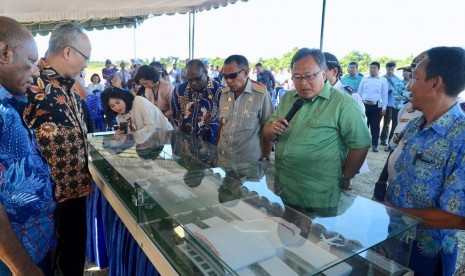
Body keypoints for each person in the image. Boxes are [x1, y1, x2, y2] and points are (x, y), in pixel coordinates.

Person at [384, 47, 465, 276]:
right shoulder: (415, 125)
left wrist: (392, 211)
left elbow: (459, 218)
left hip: (427, 257)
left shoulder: (461, 137)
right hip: (394, 243)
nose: (409, 86)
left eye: (416, 79)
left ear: (435, 83)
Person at [263, 48, 370, 215]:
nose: (303, 83)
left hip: (319, 198)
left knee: (317, 239)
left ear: (324, 73)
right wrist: (271, 129)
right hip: (284, 191)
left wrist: (345, 177)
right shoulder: (287, 99)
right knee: (287, 235)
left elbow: (361, 144)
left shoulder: (343, 103)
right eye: (297, 77)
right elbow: (267, 132)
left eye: (309, 76)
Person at [23, 22, 93, 275]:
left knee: (72, 259)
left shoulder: (70, 87)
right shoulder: (29, 84)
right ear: (67, 52)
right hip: (47, 203)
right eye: (86, 57)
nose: (86, 64)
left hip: (75, 192)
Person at [0, 16, 56, 276]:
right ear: (4, 52)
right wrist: (22, 267)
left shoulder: (10, 104)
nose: (36, 71)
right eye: (31, 61)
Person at [218, 55, 273, 162]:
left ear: (246, 72)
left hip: (249, 162)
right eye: (225, 76)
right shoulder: (224, 94)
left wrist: (266, 155)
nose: (228, 80)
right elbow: (222, 124)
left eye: (233, 76)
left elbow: (268, 126)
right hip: (224, 159)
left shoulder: (260, 94)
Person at [323, 52, 369, 174]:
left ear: (334, 71)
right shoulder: (312, 94)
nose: (317, 75)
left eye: (322, 70)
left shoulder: (350, 95)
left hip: (339, 155)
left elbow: (358, 132)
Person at [171, 59, 222, 144]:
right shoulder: (179, 91)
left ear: (205, 72)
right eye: (190, 80)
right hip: (185, 144)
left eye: (197, 79)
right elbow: (176, 115)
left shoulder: (219, 91)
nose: (194, 83)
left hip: (211, 144)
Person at [102, 87, 173, 142]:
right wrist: (120, 136)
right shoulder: (119, 117)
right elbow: (128, 136)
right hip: (145, 145)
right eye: (112, 106)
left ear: (124, 98)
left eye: (118, 102)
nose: (117, 107)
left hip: (164, 136)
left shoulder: (139, 101)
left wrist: (131, 136)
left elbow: (150, 127)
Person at [358, 61, 389, 152]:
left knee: (375, 127)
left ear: (378, 69)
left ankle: (374, 145)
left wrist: (384, 108)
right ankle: (362, 145)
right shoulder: (364, 79)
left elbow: (385, 95)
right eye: (371, 68)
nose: (372, 69)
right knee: (363, 126)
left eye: (374, 68)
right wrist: (358, 105)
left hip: (376, 107)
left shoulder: (383, 80)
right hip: (364, 106)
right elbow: (359, 92)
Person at [380, 61, 403, 150]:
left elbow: (400, 91)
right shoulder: (382, 78)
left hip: (396, 104)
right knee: (386, 123)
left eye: (392, 69)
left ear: (394, 69)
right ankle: (383, 139)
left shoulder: (398, 79)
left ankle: (390, 141)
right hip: (386, 103)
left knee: (395, 124)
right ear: (386, 69)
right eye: (389, 69)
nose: (390, 71)